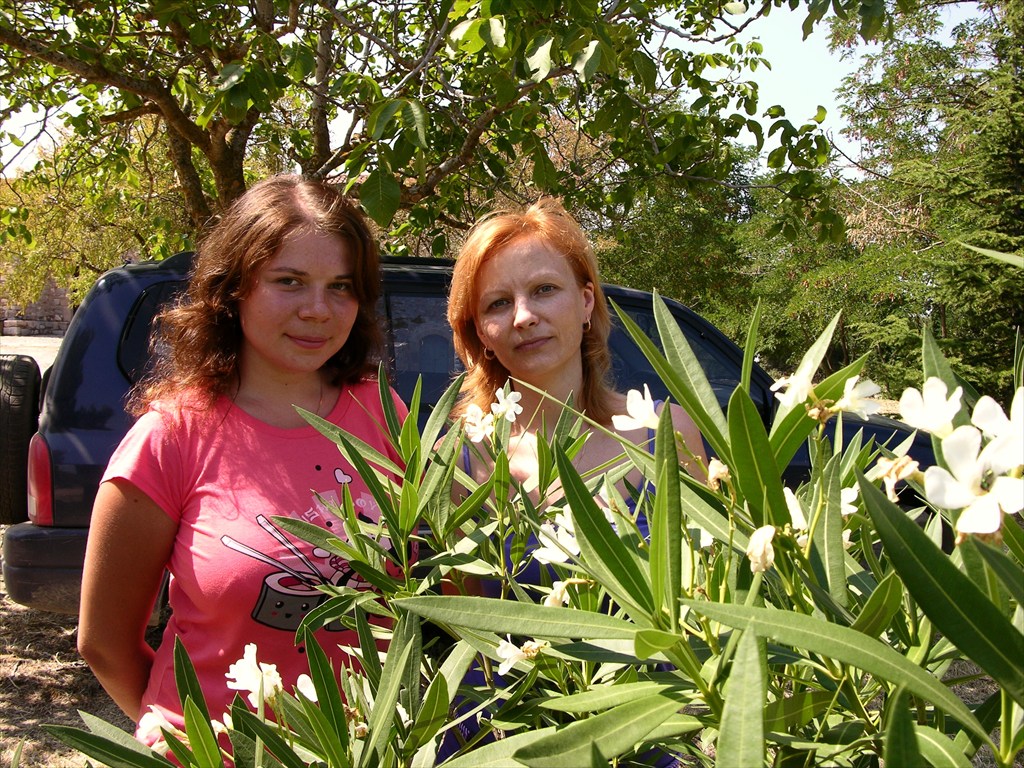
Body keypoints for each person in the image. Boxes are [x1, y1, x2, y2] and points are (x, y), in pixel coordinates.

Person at [77, 175, 407, 741]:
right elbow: (103, 641)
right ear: (234, 289)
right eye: (289, 281)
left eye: (341, 286)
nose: (318, 310)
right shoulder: (173, 436)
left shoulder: (382, 410)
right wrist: (184, 738)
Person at [447, 196, 707, 511]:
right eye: (498, 303)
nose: (523, 317)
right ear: (480, 332)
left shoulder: (666, 432)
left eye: (544, 289)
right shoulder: (457, 462)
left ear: (586, 302)